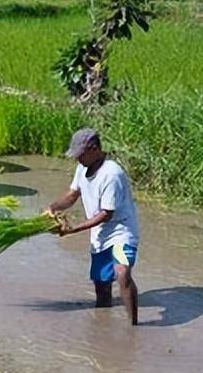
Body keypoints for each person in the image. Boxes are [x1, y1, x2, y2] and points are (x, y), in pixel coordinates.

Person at [45, 128, 140, 325]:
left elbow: (106, 214)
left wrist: (73, 229)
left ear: (94, 149)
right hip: (99, 236)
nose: (77, 158)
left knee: (122, 272)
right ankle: (101, 328)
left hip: (120, 232)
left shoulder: (111, 174)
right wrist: (52, 207)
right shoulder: (83, 168)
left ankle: (134, 327)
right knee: (102, 286)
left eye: (80, 154)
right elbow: (73, 195)